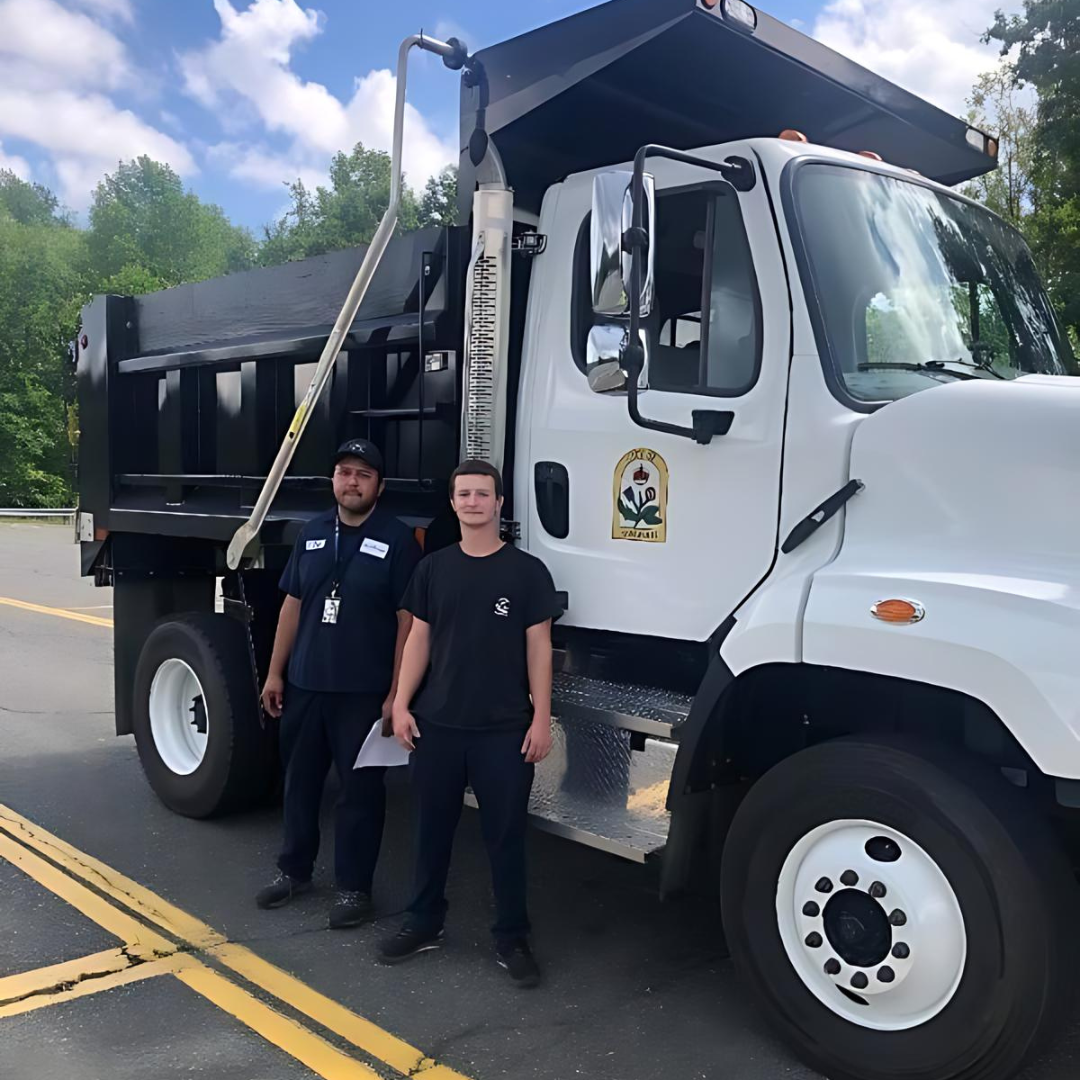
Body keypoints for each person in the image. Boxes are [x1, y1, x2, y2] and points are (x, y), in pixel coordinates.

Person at [379, 459, 560, 987]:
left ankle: (511, 936)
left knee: (505, 838)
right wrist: (403, 702)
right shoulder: (434, 568)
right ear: (453, 503)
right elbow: (419, 639)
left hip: (504, 731)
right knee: (431, 831)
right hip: (439, 727)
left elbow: (539, 648)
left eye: (484, 494)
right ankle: (423, 921)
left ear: (500, 504)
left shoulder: (528, 572)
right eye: (464, 494)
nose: (473, 502)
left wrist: (542, 719)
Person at [256, 438, 421, 929]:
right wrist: (274, 671)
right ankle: (293, 870)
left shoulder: (397, 541)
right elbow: (292, 605)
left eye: (363, 475)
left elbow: (407, 621)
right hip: (306, 686)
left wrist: (397, 693)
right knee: (300, 784)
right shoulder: (310, 534)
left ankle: (354, 889)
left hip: (363, 694)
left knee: (360, 794)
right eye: (345, 472)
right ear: (334, 480)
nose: (352, 482)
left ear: (379, 486)